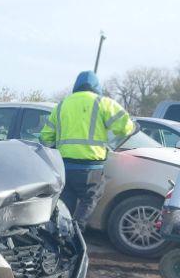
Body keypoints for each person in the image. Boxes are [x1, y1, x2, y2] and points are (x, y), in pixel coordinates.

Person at [40, 70, 135, 230]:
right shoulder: (103, 103)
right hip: (91, 167)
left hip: (65, 166)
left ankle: (62, 234)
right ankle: (76, 231)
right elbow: (126, 128)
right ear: (96, 86)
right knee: (89, 199)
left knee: (66, 204)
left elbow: (46, 137)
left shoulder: (62, 105)